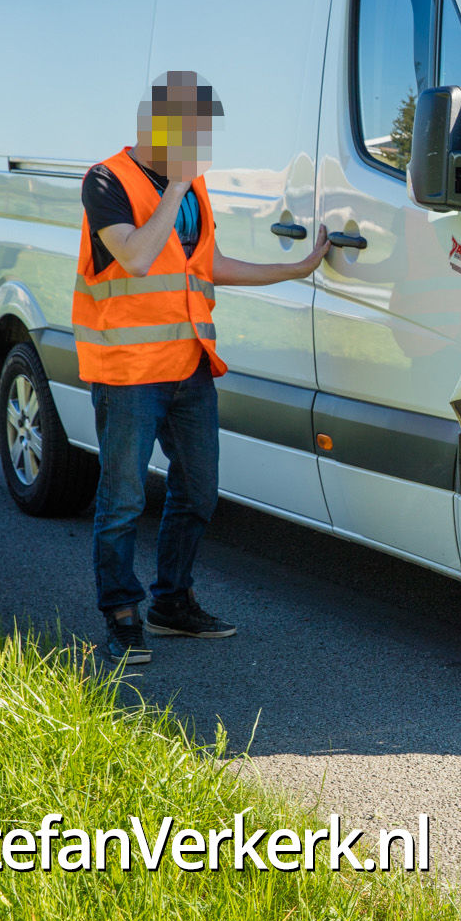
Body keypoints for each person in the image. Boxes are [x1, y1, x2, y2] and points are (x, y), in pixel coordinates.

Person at [76, 71, 329, 664]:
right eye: (190, 131)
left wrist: (294, 270)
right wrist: (175, 187)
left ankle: (171, 602)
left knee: (198, 492)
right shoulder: (106, 180)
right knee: (123, 501)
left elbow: (205, 264)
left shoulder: (193, 187)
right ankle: (121, 615)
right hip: (128, 370)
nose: (199, 144)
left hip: (188, 364)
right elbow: (138, 258)